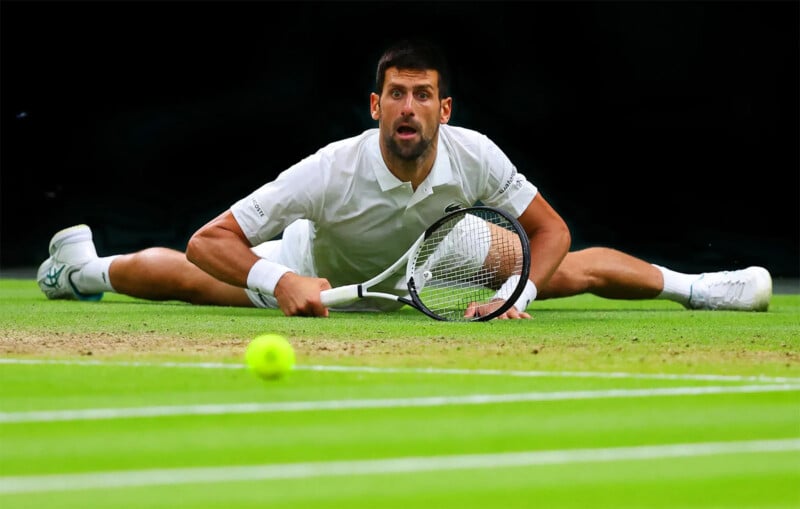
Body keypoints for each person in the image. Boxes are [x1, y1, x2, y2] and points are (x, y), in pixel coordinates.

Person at [36, 39, 773, 319]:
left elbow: (552, 232)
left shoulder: (474, 152)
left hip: (435, 268)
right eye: (397, 94)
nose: (410, 107)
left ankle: (701, 286)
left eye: (424, 95)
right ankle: (81, 268)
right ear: (376, 106)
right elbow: (210, 239)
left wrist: (522, 292)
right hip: (320, 274)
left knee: (564, 270)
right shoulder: (332, 168)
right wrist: (279, 282)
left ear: (443, 108)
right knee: (194, 280)